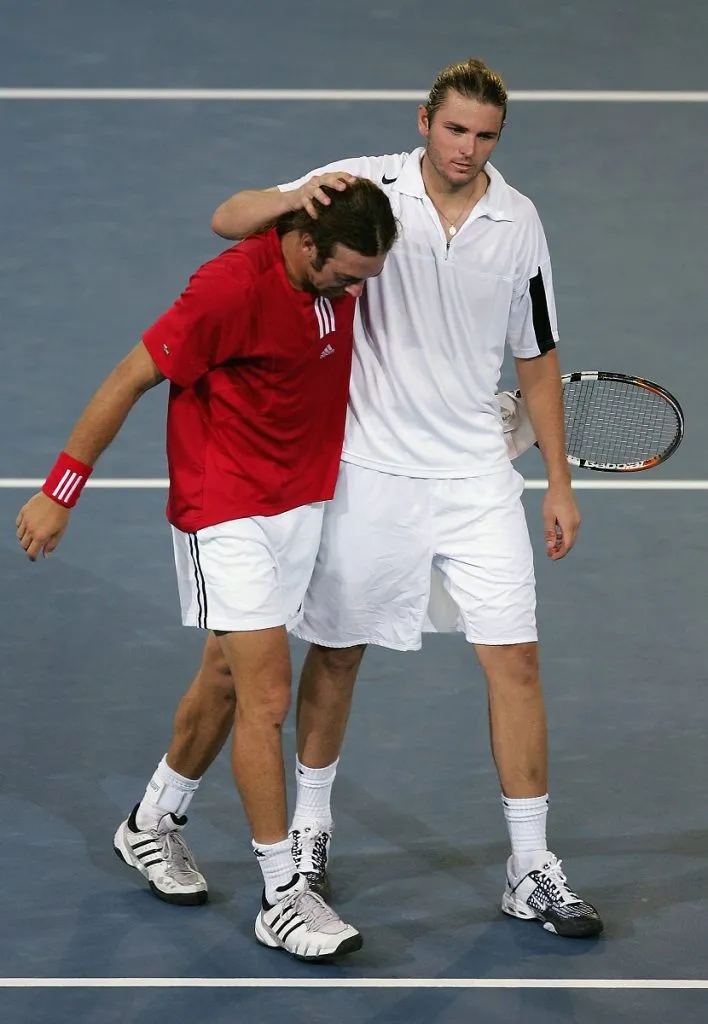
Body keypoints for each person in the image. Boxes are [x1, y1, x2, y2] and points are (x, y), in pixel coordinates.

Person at [15, 179, 398, 962]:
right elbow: (128, 376)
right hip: (225, 510)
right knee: (266, 696)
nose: (356, 290)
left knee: (225, 678)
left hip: (303, 502)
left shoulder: (336, 270)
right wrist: (61, 490)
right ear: (305, 244)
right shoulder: (228, 291)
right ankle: (282, 896)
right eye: (346, 275)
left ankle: (150, 823)